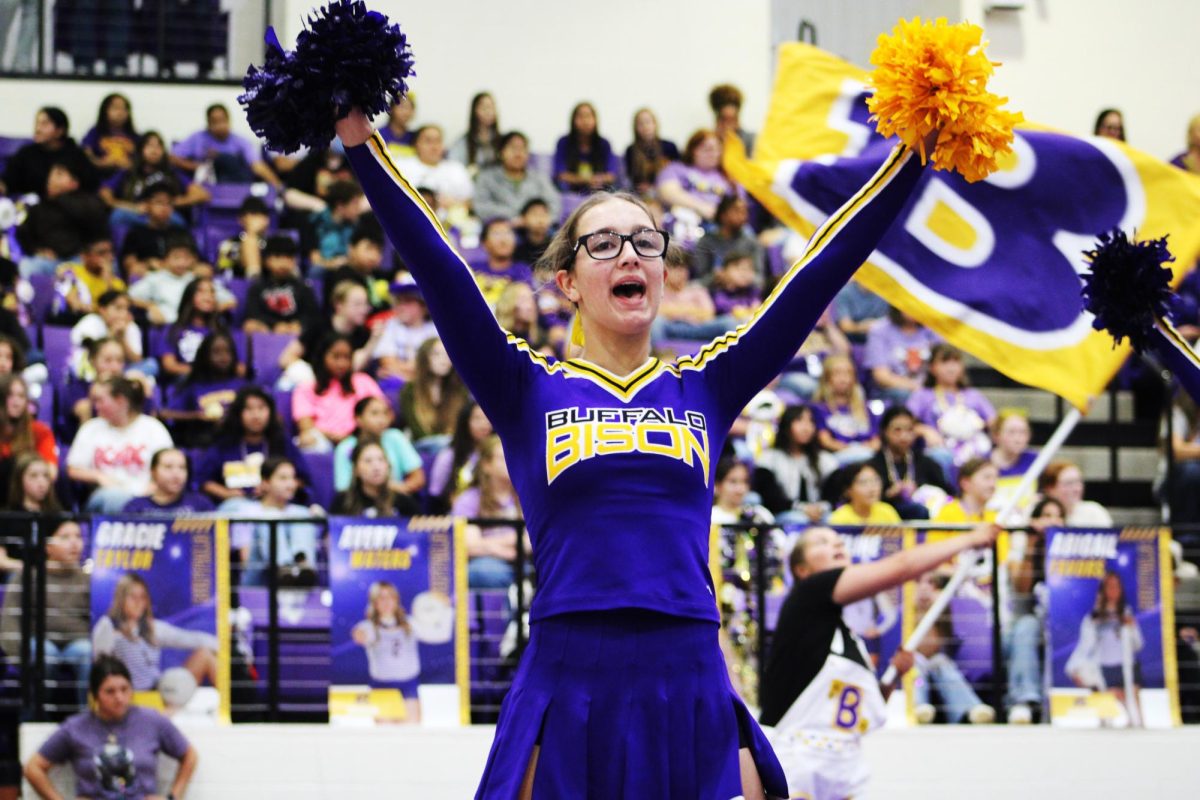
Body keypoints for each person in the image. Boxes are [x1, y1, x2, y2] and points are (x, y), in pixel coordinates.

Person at [338, 96, 929, 797]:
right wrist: (357, 138)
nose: (631, 253)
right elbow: (437, 264)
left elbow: (818, 275)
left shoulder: (706, 384)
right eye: (605, 242)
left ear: (663, 271)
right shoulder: (525, 386)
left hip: (687, 664)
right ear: (567, 283)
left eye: (647, 242)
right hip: (568, 662)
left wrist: (913, 155)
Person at [760, 523, 996, 799]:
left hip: (844, 768)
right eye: (822, 542)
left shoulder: (848, 639)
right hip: (797, 761)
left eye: (838, 540)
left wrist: (894, 676)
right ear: (801, 570)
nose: (836, 545)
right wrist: (970, 539)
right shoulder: (807, 595)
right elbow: (902, 566)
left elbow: (858, 712)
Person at [24, 657, 198, 800]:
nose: (120, 698)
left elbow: (189, 755)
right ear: (95, 695)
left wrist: (172, 798)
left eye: (124, 689)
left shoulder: (151, 720)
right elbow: (33, 767)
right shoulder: (76, 727)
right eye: (110, 691)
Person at [0, 520, 91, 706]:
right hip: (39, 641)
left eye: (78, 537)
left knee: (87, 652)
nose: (74, 543)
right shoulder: (28, 576)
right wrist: (18, 654)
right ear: (48, 546)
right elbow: (9, 619)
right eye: (65, 537)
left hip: (77, 642)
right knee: (45, 654)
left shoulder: (89, 580)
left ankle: (88, 720)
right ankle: (36, 719)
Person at [91, 574, 219, 691]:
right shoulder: (108, 625)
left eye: (142, 597)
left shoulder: (152, 627)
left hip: (158, 690)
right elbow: (100, 668)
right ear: (121, 599)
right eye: (133, 597)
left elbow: (190, 639)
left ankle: (228, 708)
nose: (138, 603)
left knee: (204, 655)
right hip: (128, 696)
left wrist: (222, 644)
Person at [65, 375, 174, 512]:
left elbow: (170, 464)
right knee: (115, 498)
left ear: (120, 401)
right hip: (105, 497)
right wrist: (99, 477)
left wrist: (153, 488)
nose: (95, 406)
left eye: (101, 401)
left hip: (146, 496)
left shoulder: (153, 428)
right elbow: (73, 469)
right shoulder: (91, 428)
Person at [197, 386, 310, 507]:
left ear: (270, 412)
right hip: (235, 508)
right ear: (238, 413)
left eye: (261, 408)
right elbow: (204, 482)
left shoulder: (282, 442)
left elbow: (302, 480)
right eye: (249, 409)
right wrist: (226, 493)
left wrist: (276, 490)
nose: (256, 415)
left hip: (277, 507)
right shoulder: (223, 444)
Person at [1005, 496, 1064, 724]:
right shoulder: (1022, 548)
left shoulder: (1074, 549)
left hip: (1063, 622)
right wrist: (1032, 543)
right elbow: (1021, 590)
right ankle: (1025, 701)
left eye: (1058, 516)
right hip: (1025, 623)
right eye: (1047, 516)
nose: (1053, 522)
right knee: (1026, 627)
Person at [1066, 570, 1144, 725]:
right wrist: (1073, 668)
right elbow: (1085, 647)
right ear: (1102, 590)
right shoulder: (1092, 619)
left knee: (1135, 714)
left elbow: (1138, 645)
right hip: (1104, 669)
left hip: (1126, 668)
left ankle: (1139, 728)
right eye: (1109, 586)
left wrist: (1132, 627)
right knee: (1105, 718)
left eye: (1116, 586)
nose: (1113, 590)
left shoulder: (1126, 614)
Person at [230, 456, 323, 585]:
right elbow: (246, 561)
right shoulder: (246, 511)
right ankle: (284, 568)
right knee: (270, 517)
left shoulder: (302, 512)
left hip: (299, 580)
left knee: (301, 515)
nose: (290, 485)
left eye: (293, 478)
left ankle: (302, 568)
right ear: (266, 482)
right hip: (260, 578)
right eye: (283, 478)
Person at [907, 343, 996, 473]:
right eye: (944, 362)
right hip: (940, 450)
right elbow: (906, 423)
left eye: (955, 362)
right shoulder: (922, 395)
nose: (951, 368)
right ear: (932, 368)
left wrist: (983, 425)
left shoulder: (973, 395)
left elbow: (993, 422)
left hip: (973, 449)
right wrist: (924, 430)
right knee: (940, 456)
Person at [14, 161, 109, 277]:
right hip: (50, 261)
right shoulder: (38, 208)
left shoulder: (86, 203)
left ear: (74, 183)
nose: (51, 178)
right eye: (51, 174)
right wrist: (37, 250)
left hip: (78, 259)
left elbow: (96, 228)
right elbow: (23, 233)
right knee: (27, 265)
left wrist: (61, 198)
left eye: (59, 174)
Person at [453, 435, 524, 588]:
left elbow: (534, 541)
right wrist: (508, 547)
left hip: (527, 560)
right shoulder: (469, 500)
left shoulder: (527, 495)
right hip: (487, 562)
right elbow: (469, 545)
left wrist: (491, 543)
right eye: (502, 457)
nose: (510, 460)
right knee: (484, 572)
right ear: (486, 465)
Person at [293, 333, 385, 452]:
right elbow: (306, 426)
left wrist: (353, 437)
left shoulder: (363, 381)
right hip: (324, 442)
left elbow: (383, 413)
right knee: (308, 439)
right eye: (336, 357)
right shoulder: (306, 388)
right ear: (322, 356)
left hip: (361, 441)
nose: (341, 364)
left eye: (346, 357)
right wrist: (333, 437)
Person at [100, 130, 210, 228]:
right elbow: (105, 194)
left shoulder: (172, 172)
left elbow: (202, 195)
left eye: (158, 146)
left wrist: (170, 203)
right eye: (149, 146)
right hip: (137, 215)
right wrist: (133, 207)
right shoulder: (128, 172)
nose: (154, 150)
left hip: (165, 216)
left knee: (178, 222)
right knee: (118, 215)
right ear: (141, 150)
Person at [753, 405, 836, 524]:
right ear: (786, 425)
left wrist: (820, 508)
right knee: (798, 519)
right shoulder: (769, 458)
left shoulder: (825, 459)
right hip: (783, 513)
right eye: (799, 420)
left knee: (832, 519)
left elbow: (833, 496)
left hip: (819, 512)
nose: (806, 428)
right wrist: (802, 508)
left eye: (811, 421)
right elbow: (771, 499)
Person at [352, 581, 422, 722]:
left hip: (408, 685)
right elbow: (360, 634)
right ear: (374, 602)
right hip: (381, 686)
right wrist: (360, 634)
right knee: (385, 736)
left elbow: (436, 632)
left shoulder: (411, 623)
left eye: (390, 597)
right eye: (381, 598)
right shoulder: (369, 626)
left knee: (412, 733)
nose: (387, 602)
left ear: (396, 600)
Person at [866, 405, 949, 520]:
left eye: (909, 430)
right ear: (885, 432)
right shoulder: (873, 465)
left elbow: (947, 492)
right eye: (897, 430)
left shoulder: (926, 463)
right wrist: (889, 494)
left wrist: (919, 489)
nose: (904, 436)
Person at [171, 103, 282, 188]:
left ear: (229, 121)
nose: (220, 125)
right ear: (208, 124)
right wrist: (195, 166)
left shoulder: (240, 141)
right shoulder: (197, 138)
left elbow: (258, 166)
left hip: (236, 185)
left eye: (222, 120)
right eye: (215, 121)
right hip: (206, 187)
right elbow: (172, 157)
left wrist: (278, 187)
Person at [333, 396, 424, 496]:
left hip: (394, 498)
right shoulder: (345, 447)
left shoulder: (395, 437)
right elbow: (343, 488)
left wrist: (401, 489)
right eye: (374, 413)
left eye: (385, 413)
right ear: (358, 419)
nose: (382, 419)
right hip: (359, 503)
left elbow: (418, 477)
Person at [0, 107, 97, 199]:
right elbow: (8, 182)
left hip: (66, 207)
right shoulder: (26, 153)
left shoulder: (76, 155)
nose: (38, 129)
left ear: (59, 131)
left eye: (44, 124)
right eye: (37, 123)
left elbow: (90, 186)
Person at [656, 129, 738, 229]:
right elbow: (668, 193)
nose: (714, 154)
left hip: (720, 228)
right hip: (686, 221)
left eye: (718, 149)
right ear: (693, 150)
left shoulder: (728, 176)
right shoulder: (677, 169)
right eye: (708, 149)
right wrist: (701, 207)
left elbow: (739, 205)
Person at [473, 131, 562, 223]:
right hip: (500, 229)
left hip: (535, 231)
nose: (518, 153)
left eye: (523, 148)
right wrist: (514, 218)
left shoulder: (539, 178)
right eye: (513, 148)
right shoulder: (487, 178)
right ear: (501, 152)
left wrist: (538, 220)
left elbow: (555, 205)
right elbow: (481, 206)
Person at [242, 234, 322, 334]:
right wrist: (275, 325)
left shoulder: (304, 287)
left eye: (288, 257)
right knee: (251, 325)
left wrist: (297, 325)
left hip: (296, 335)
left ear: (294, 261)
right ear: (267, 260)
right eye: (278, 256)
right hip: (268, 333)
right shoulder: (257, 288)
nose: (283, 262)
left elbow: (313, 315)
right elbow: (253, 314)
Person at [156, 277, 232, 379]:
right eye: (201, 291)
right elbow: (169, 366)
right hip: (186, 381)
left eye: (212, 293)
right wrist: (199, 373)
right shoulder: (172, 330)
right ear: (189, 296)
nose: (208, 297)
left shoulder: (221, 331)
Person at [398, 336, 468, 446]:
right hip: (424, 448)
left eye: (447, 355)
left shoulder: (460, 391)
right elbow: (417, 431)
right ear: (424, 358)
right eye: (436, 354)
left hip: (452, 447)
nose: (444, 360)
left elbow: (462, 428)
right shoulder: (409, 391)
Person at [863, 306, 940, 405]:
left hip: (928, 388)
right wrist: (915, 387)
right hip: (894, 391)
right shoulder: (879, 330)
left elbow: (944, 363)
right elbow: (881, 376)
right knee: (911, 397)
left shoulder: (933, 329)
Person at [812, 354, 879, 465]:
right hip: (837, 458)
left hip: (866, 456)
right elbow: (825, 441)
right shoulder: (819, 409)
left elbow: (876, 441)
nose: (843, 379)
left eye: (848, 373)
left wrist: (862, 449)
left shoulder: (865, 408)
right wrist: (852, 449)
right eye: (837, 373)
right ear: (827, 377)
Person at [427, 400, 493, 511]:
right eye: (477, 419)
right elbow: (435, 497)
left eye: (487, 418)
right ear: (465, 422)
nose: (484, 424)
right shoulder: (448, 457)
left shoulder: (499, 454)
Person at [398, 125, 474, 220]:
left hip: (449, 225)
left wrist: (455, 204)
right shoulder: (401, 167)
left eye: (438, 141)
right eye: (428, 141)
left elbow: (470, 202)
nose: (434, 147)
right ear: (416, 144)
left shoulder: (456, 169)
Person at [371, 275, 437, 382]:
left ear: (423, 306)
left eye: (408, 301)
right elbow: (388, 364)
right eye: (398, 301)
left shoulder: (435, 331)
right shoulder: (390, 326)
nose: (401, 306)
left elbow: (437, 368)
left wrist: (404, 370)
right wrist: (416, 371)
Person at [333, 436, 420, 516]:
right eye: (368, 461)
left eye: (381, 460)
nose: (376, 467)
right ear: (356, 470)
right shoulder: (343, 502)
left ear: (388, 466)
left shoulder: (404, 502)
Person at [117, 185, 191, 279]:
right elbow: (131, 266)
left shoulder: (180, 232)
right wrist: (148, 264)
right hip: (150, 279)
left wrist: (170, 266)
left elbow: (197, 262)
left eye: (169, 203)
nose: (164, 208)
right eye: (159, 202)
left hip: (179, 278)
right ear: (147, 206)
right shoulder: (136, 233)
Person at [692, 195, 762, 282]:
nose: (743, 216)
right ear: (723, 214)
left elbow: (760, 279)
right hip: (714, 291)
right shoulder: (706, 242)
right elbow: (699, 280)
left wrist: (743, 277)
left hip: (746, 292)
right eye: (737, 211)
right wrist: (718, 277)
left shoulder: (751, 242)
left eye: (745, 212)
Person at [122, 447, 214, 514]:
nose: (176, 474)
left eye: (182, 467)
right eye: (168, 467)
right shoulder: (135, 507)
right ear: (153, 472)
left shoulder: (200, 504)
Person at [553, 102, 616, 193]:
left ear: (595, 120)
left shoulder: (604, 144)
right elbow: (561, 175)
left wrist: (596, 180)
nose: (585, 121)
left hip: (598, 188)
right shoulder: (563, 142)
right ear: (573, 120)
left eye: (589, 116)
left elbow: (611, 175)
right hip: (571, 188)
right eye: (581, 117)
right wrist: (586, 180)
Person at [988, 409, 1038, 519]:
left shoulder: (1035, 460)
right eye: (1011, 432)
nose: (1018, 439)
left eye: (1023, 432)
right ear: (996, 436)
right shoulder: (983, 463)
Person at [1038, 459, 1113, 526]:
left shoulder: (1094, 512)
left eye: (1078, 482)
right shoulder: (1034, 510)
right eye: (1069, 483)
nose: (1076, 489)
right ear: (1049, 488)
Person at [624, 108, 679, 197]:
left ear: (655, 124)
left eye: (648, 122)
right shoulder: (631, 151)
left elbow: (678, 173)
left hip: (667, 191)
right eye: (640, 124)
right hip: (642, 194)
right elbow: (631, 179)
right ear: (635, 128)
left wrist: (655, 187)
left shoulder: (669, 147)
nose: (645, 126)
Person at [80, 93, 139, 178]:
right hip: (100, 175)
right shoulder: (96, 132)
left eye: (125, 109)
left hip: (126, 178)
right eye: (116, 108)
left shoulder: (134, 136)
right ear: (105, 110)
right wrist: (99, 163)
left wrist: (131, 165)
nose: (120, 112)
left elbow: (142, 158)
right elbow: (85, 152)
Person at [827, 462, 901, 526]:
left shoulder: (887, 511)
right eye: (863, 483)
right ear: (848, 490)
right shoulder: (839, 519)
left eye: (875, 480)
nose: (872, 488)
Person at [216, 196, 272, 278]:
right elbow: (223, 271)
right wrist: (251, 234)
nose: (257, 219)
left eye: (262, 215)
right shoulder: (229, 244)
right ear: (241, 219)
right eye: (253, 215)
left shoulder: (273, 242)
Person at [933, 457, 999, 523]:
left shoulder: (994, 517)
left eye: (995, 478)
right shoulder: (948, 512)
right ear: (966, 483)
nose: (992, 484)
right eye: (987, 478)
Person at [451, 91, 501, 174]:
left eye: (491, 107)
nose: (489, 112)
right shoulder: (463, 143)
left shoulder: (502, 141)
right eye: (484, 108)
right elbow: (453, 167)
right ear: (474, 111)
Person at [710, 83, 755, 155]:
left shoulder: (751, 140)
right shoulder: (709, 143)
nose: (728, 126)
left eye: (732, 120)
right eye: (724, 119)